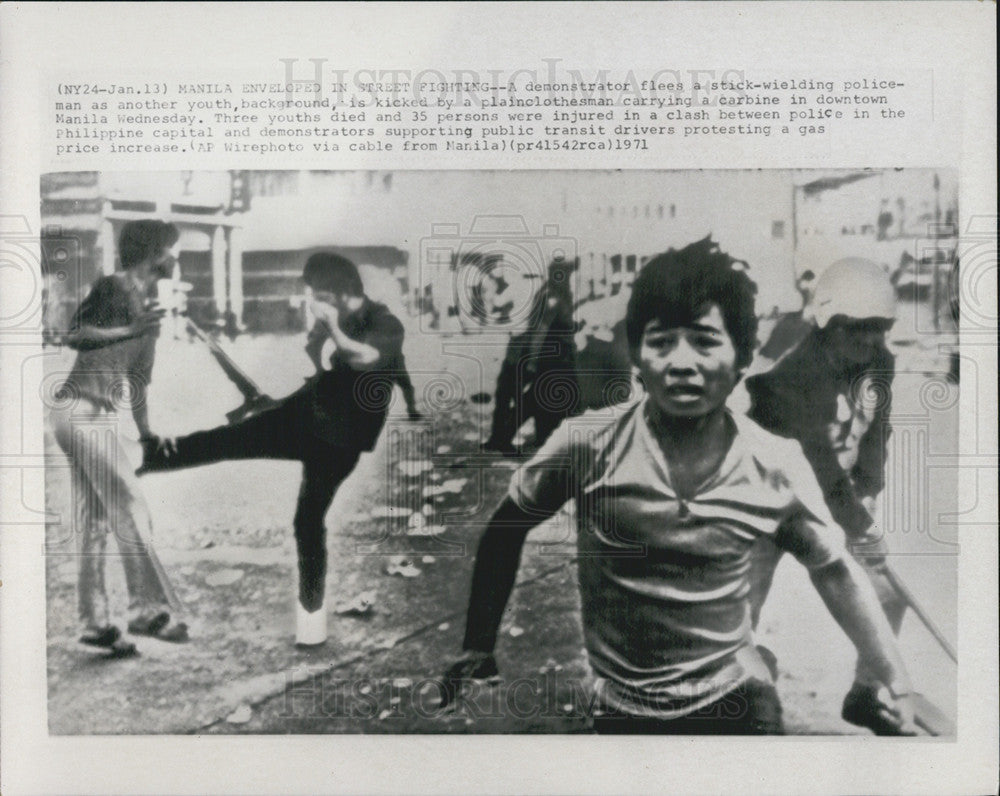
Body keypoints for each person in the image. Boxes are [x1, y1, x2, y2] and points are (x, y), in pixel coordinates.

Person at [443, 239, 921, 735]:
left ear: (740, 358)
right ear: (636, 356)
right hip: (623, 706)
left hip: (737, 698)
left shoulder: (772, 460)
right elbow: (505, 525)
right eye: (661, 341)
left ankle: (765, 668)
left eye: (705, 340)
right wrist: (478, 642)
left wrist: (896, 678)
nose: (681, 362)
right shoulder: (586, 443)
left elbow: (835, 570)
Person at [139, 252, 405, 646]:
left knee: (295, 508)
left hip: (340, 437)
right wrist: (279, 406)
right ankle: (312, 624)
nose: (312, 301)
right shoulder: (334, 322)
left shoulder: (383, 322)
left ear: (341, 291)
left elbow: (367, 358)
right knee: (238, 455)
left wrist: (331, 326)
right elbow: (325, 378)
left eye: (318, 294)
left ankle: (145, 456)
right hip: (312, 418)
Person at [745, 257, 912, 734]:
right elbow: (817, 460)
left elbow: (878, 432)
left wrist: (871, 491)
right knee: (743, 611)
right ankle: (733, 708)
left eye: (879, 328)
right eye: (858, 329)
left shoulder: (881, 361)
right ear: (829, 326)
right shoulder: (794, 373)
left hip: (828, 491)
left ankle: (863, 696)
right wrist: (858, 525)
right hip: (766, 495)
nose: (870, 340)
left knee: (887, 596)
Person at [50, 219, 188, 656]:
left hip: (96, 418)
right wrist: (129, 331)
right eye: (169, 249)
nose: (175, 257)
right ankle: (144, 609)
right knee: (130, 503)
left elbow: (137, 381)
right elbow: (73, 334)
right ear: (152, 253)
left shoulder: (148, 307)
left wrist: (147, 434)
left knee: (95, 521)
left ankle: (94, 624)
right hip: (77, 411)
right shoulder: (114, 287)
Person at [483, 258, 581, 454]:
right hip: (551, 360)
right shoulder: (552, 298)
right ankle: (505, 438)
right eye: (565, 274)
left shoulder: (553, 294)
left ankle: (522, 438)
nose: (568, 278)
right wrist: (533, 363)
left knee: (543, 401)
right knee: (535, 401)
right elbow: (539, 332)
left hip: (555, 359)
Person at [305, 296, 422, 420]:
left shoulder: (379, 320)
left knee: (404, 384)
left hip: (389, 358)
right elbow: (313, 344)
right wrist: (319, 368)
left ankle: (411, 409)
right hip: (372, 360)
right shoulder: (343, 318)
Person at [756, 269, 815, 363]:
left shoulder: (806, 291)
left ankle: (775, 353)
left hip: (796, 315)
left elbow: (801, 296)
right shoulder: (806, 290)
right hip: (796, 315)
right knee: (782, 332)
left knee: (783, 332)